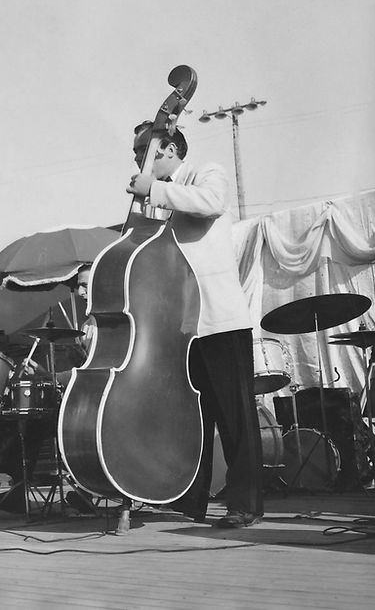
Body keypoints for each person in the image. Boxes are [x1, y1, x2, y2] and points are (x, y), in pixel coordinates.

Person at [126, 120, 263, 528]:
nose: (138, 160)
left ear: (167, 149)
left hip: (220, 320)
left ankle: (246, 503)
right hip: (185, 326)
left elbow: (211, 202)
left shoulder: (206, 173)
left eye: (142, 151)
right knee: (192, 416)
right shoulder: (162, 198)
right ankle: (190, 499)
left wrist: (152, 189)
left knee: (235, 416)